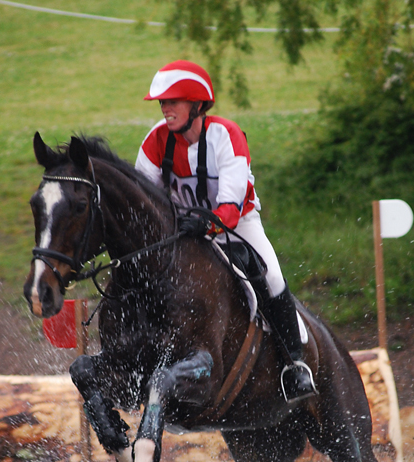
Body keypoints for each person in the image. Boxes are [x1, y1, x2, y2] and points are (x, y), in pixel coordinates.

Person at [135, 59, 317, 402]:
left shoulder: (226, 135)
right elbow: (144, 200)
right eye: (162, 102)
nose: (165, 108)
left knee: (272, 276)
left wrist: (208, 223)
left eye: (172, 101)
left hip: (237, 227)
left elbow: (230, 207)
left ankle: (295, 365)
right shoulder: (155, 141)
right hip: (185, 233)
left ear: (197, 105)